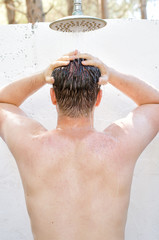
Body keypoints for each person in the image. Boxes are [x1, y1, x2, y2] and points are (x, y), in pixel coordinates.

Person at [0, 50, 159, 240]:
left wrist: (42, 77)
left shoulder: (31, 144)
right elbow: (155, 103)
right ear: (98, 98)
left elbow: (3, 102)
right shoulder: (120, 144)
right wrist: (112, 74)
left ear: (53, 96)